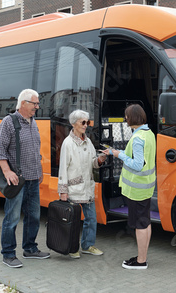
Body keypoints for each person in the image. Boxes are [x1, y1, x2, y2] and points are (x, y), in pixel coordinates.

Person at [0, 89, 50, 268]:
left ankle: (30, 248)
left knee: (34, 216)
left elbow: (35, 149)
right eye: (35, 103)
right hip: (17, 180)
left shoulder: (33, 122)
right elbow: (0, 151)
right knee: (12, 218)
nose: (37, 107)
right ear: (23, 103)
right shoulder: (8, 122)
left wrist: (40, 169)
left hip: (34, 178)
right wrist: (7, 171)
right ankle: (8, 254)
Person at [102, 104, 156, 270]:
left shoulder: (138, 138)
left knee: (140, 224)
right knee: (145, 222)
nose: (125, 119)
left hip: (136, 189)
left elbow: (137, 164)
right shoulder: (148, 133)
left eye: (126, 116)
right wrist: (114, 152)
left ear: (132, 117)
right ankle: (143, 257)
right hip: (145, 186)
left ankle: (141, 261)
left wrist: (119, 154)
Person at [58, 109, 106, 259]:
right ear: (73, 124)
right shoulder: (68, 143)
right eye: (83, 122)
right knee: (73, 222)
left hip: (87, 188)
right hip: (73, 189)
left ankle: (87, 245)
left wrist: (99, 160)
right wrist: (63, 191)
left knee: (91, 219)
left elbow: (93, 163)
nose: (86, 125)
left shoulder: (88, 140)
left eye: (88, 122)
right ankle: (72, 248)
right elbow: (63, 168)